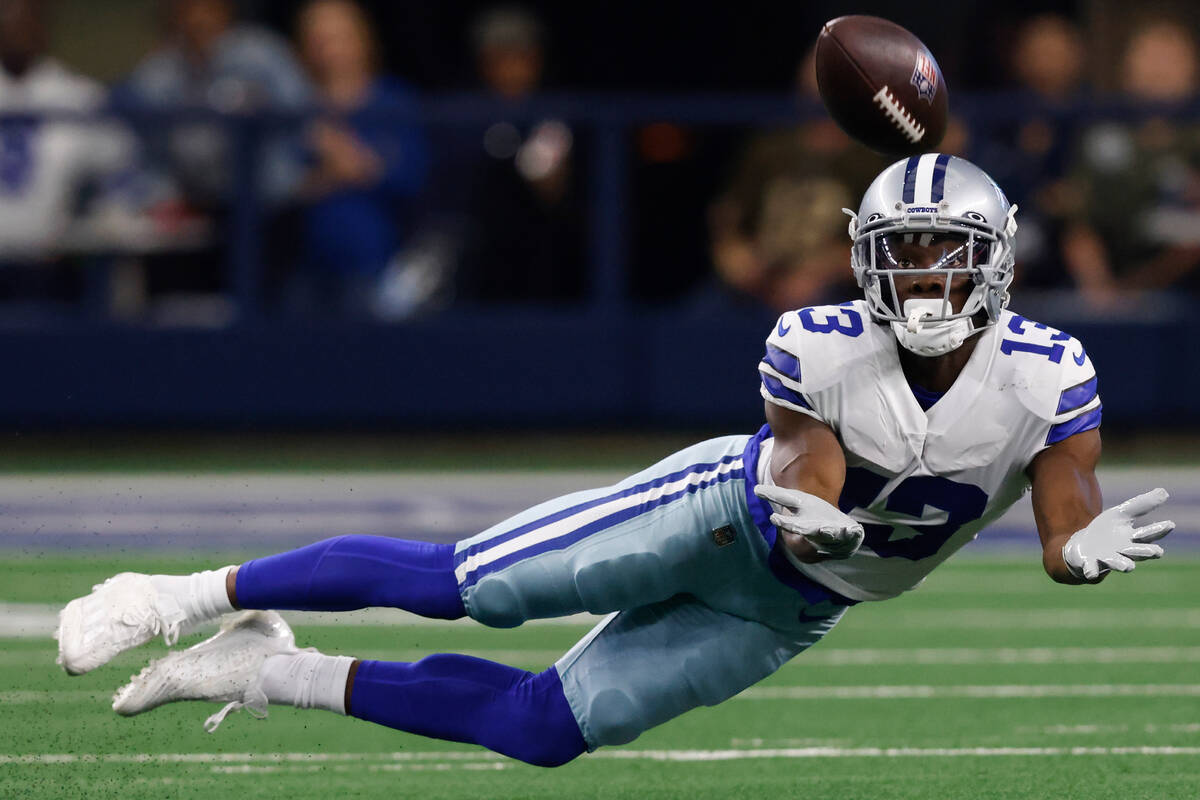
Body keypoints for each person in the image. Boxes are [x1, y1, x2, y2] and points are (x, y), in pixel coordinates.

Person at [56, 154, 1176, 767]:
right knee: (470, 587)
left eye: (947, 259)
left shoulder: (1049, 374)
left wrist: (1083, 553)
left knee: (546, 730)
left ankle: (266, 668)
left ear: (996, 263)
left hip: (792, 610)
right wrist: (806, 512)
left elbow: (1064, 527)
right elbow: (803, 464)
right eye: (904, 258)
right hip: (720, 517)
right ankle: (173, 592)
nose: (926, 282)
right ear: (864, 263)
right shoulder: (819, 340)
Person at [288, 0, 430, 318]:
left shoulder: (395, 102)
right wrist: (335, 174)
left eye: (338, 36)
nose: (329, 49)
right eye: (318, 39)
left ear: (363, 40)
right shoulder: (294, 107)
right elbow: (280, 187)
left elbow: (411, 178)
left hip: (377, 268)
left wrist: (343, 155)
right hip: (304, 273)